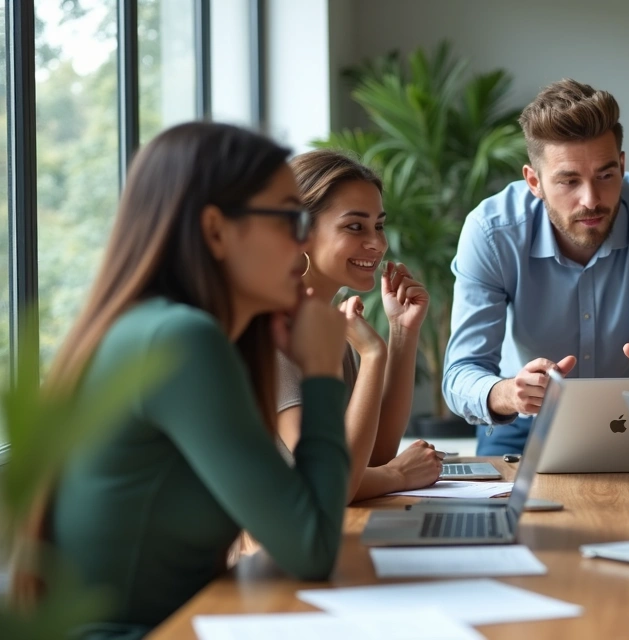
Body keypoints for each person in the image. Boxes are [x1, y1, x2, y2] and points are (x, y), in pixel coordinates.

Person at [42, 122, 352, 638]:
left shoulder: (175, 332)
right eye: (289, 219)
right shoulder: (179, 340)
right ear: (214, 230)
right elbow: (311, 547)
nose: (302, 244)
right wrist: (320, 371)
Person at [442, 78, 629, 455]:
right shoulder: (491, 232)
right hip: (523, 422)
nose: (591, 200)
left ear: (621, 164)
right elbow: (461, 373)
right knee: (506, 514)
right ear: (534, 181)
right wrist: (508, 393)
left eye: (605, 175)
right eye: (569, 181)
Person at [279, 150, 442, 503]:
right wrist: (397, 474)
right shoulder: (273, 331)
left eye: (379, 225)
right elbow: (327, 485)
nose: (378, 243)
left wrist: (402, 331)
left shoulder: (327, 326)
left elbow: (372, 454)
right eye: (355, 226)